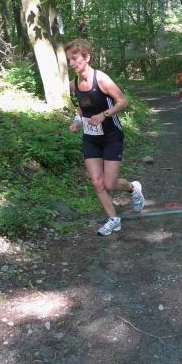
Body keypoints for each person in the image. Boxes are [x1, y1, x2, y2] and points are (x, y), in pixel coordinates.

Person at [65, 38, 145, 236]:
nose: (71, 63)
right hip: (91, 138)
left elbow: (122, 102)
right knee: (97, 181)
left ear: (87, 57)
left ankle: (133, 188)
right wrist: (77, 121)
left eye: (74, 58)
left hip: (111, 135)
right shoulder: (74, 85)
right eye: (69, 60)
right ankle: (113, 220)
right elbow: (83, 108)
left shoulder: (101, 79)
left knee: (110, 183)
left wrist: (104, 115)